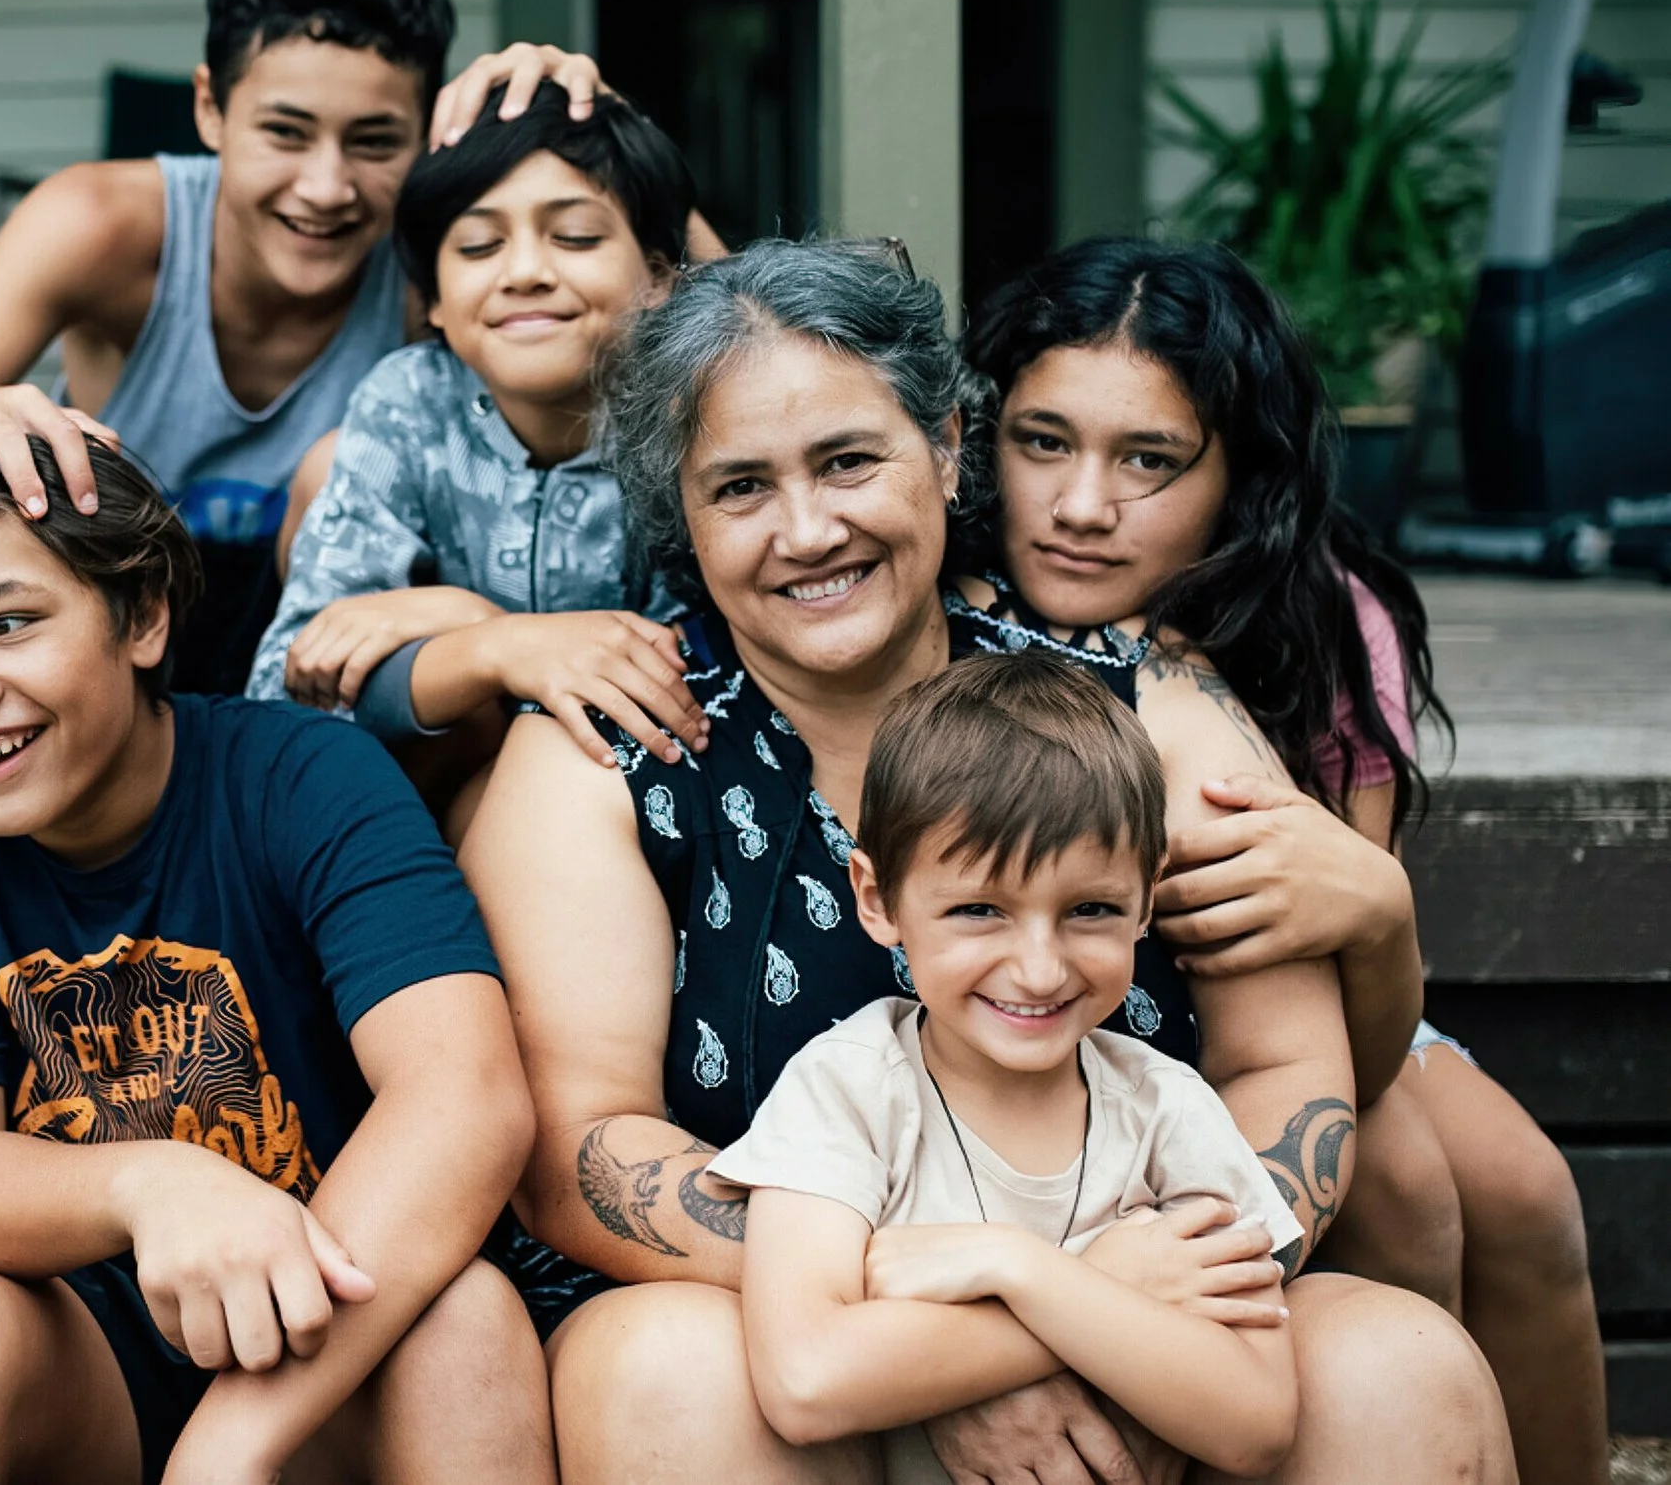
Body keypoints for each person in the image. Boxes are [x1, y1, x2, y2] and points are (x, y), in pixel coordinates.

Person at [460, 239, 1510, 1484]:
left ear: (946, 447)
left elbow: (1289, 1065)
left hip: (1149, 1304)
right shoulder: (604, 755)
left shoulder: (1147, 703)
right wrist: (990, 1324)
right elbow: (579, 1150)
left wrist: (1098, 1322)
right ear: (679, 510)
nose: (807, 529)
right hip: (783, 1332)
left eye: (849, 460)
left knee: (1400, 1365)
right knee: (655, 1366)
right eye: (740, 486)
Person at [960, 235, 1603, 1485]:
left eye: (1147, 459)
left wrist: (1379, 909)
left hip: (1341, 1011)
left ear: (1236, 475)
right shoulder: (948, 601)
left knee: (1516, 1190)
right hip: (1081, 1009)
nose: (1082, 504)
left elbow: (1346, 1040)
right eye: (1043, 441)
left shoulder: (1321, 613)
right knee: (1410, 1180)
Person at [0, 436, 552, 1484]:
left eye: (8, 622)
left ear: (142, 616)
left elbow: (465, 1099)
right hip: (89, 1349)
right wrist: (155, 1182)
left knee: (465, 1320)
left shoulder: (303, 773)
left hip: (336, 1324)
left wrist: (224, 1445)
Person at [0, 0, 657, 695]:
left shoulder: (448, 260)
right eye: (285, 132)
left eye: (374, 142)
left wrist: (597, 133)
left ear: (426, 131)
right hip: (118, 640)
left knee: (339, 471)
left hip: (337, 662)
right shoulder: (102, 226)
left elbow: (731, 347)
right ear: (210, 106)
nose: (326, 187)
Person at [722, 652, 1301, 1483]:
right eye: (979, 910)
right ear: (878, 898)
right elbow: (807, 1378)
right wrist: (1102, 1284)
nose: (1038, 968)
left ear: (1146, 896)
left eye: (1090, 909)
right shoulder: (847, 1089)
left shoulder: (1168, 1106)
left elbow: (1257, 1420)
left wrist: (1019, 1268)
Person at [246, 82, 703, 824]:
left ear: (659, 278)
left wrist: (471, 628)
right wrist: (489, 640)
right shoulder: (409, 405)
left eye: (577, 237)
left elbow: (710, 672)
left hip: (639, 796)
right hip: (433, 799)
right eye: (480, 245)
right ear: (431, 298)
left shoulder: (691, 416)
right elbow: (288, 684)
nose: (523, 271)